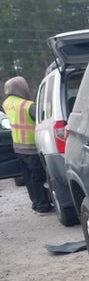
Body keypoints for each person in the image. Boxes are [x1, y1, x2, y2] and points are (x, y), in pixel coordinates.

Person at [2, 76, 53, 214]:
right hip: (31, 148)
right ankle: (43, 206)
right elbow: (44, 116)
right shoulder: (28, 105)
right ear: (21, 88)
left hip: (18, 147)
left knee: (29, 178)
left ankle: (36, 203)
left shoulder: (7, 103)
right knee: (38, 177)